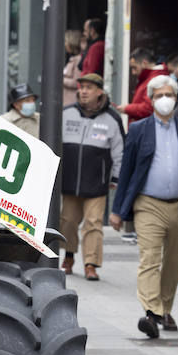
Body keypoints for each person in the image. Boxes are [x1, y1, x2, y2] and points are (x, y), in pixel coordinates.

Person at [110, 74, 178, 338]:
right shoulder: (138, 130)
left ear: (176, 98)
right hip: (148, 204)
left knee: (174, 260)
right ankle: (151, 313)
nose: (164, 100)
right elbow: (127, 170)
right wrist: (117, 210)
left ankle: (164, 308)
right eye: (159, 95)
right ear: (150, 100)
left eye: (169, 95)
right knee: (150, 258)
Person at [60, 73, 123, 281]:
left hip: (97, 182)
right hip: (69, 181)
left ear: (99, 92)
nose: (84, 91)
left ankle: (91, 264)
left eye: (89, 88)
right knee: (67, 221)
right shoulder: (67, 113)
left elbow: (119, 151)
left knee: (94, 223)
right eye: (82, 87)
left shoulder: (112, 119)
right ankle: (68, 256)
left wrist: (116, 177)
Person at [118, 47, 170, 123]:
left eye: (134, 68)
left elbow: (148, 109)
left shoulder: (156, 79)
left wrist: (127, 108)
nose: (133, 72)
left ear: (144, 63)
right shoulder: (149, 78)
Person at [61, 29, 85, 107]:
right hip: (66, 101)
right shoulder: (73, 59)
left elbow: (76, 82)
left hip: (72, 102)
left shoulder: (78, 60)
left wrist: (59, 79)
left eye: (66, 41)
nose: (64, 44)